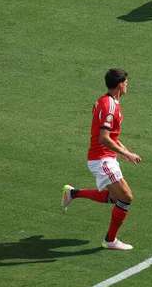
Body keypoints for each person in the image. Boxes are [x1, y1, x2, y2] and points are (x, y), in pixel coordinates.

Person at [61, 68, 142, 251]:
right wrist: (126, 154)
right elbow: (103, 138)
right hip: (101, 159)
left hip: (107, 157)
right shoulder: (110, 106)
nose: (128, 85)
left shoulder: (105, 101)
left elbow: (111, 136)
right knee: (126, 197)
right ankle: (110, 240)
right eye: (126, 82)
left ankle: (72, 193)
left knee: (116, 198)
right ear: (120, 84)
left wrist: (124, 151)